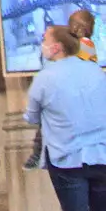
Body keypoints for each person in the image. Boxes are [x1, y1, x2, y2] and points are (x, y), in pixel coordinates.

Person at [25, 23, 106, 211]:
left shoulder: (45, 78)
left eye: (45, 39)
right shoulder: (95, 70)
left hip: (67, 160)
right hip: (101, 156)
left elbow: (31, 115)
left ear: (56, 47)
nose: (43, 43)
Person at [25, 10, 99, 170]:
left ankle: (38, 154)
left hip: (67, 152)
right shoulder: (88, 53)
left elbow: (32, 116)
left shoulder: (82, 47)